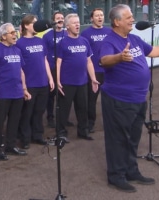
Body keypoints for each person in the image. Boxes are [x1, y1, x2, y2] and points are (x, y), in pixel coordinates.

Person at [99, 4, 159, 193]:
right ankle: (116, 176)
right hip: (118, 99)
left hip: (138, 99)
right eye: (128, 17)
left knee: (133, 137)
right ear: (117, 21)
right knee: (118, 139)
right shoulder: (109, 41)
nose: (132, 19)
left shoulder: (134, 39)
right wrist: (120, 57)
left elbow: (154, 51)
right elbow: (104, 60)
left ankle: (131, 171)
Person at [0, 23, 31, 160]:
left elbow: (21, 70)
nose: (15, 35)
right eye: (12, 33)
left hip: (17, 91)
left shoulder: (17, 50)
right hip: (2, 92)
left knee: (14, 121)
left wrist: (24, 88)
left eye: (15, 32)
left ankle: (11, 145)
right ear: (3, 36)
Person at [56, 13, 99, 143]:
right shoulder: (62, 43)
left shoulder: (84, 41)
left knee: (82, 108)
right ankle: (61, 133)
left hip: (82, 82)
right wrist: (57, 81)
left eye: (78, 22)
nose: (77, 25)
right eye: (74, 23)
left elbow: (89, 62)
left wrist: (93, 78)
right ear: (67, 26)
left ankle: (83, 131)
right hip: (67, 82)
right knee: (63, 110)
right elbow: (58, 63)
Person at [16, 14, 54, 149]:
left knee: (39, 111)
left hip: (42, 82)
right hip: (29, 84)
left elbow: (45, 60)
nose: (37, 25)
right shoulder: (19, 43)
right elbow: (19, 66)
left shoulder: (40, 41)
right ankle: (25, 138)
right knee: (27, 113)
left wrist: (50, 78)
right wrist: (24, 86)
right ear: (26, 25)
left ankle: (38, 135)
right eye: (34, 23)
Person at [80, 8, 111, 133]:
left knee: (109, 99)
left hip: (109, 71)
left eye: (101, 15)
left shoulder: (109, 32)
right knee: (91, 100)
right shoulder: (86, 33)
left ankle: (110, 122)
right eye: (97, 15)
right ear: (92, 18)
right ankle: (90, 122)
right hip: (94, 71)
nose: (100, 17)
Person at [42, 12, 67, 128]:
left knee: (63, 94)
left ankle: (63, 118)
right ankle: (50, 117)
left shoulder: (67, 34)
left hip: (64, 69)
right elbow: (44, 55)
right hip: (52, 67)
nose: (60, 20)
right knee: (51, 95)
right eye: (58, 18)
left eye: (62, 18)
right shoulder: (47, 36)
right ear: (53, 21)